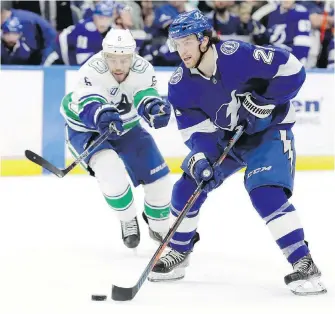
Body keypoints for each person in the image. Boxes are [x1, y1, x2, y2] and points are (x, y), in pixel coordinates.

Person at [148, 10, 327, 296]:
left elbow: (293, 69)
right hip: (227, 138)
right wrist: (203, 159)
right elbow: (196, 132)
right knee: (187, 187)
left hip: (268, 131)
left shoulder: (237, 55)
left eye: (187, 42)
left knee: (264, 191)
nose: (182, 51)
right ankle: (179, 252)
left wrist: (264, 101)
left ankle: (304, 263)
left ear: (205, 40)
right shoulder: (179, 84)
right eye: (177, 44)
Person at [59, 28, 172, 249]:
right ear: (104, 56)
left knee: (160, 183)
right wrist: (101, 114)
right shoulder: (91, 69)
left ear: (133, 56)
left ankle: (159, 227)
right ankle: (128, 219)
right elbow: (90, 104)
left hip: (127, 128)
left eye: (124, 59)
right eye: (112, 59)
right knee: (110, 172)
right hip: (85, 129)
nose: (118, 66)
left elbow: (144, 96)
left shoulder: (144, 68)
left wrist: (154, 109)